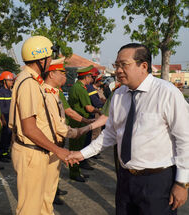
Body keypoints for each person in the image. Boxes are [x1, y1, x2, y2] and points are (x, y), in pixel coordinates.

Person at [67, 43, 189, 214]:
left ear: (143, 66)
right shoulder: (119, 95)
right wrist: (81, 154)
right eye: (117, 65)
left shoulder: (167, 93)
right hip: (125, 178)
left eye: (124, 65)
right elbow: (110, 134)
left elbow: (185, 139)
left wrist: (182, 183)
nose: (118, 70)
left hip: (157, 181)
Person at [8, 36, 73, 214]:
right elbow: (29, 129)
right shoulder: (29, 83)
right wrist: (58, 150)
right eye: (49, 58)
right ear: (41, 59)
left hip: (34, 151)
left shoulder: (30, 80)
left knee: (42, 205)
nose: (51, 61)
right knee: (30, 208)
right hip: (31, 152)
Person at [42, 62, 92, 209]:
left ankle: (54, 190)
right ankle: (51, 193)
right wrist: (86, 121)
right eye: (62, 73)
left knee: (55, 167)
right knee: (50, 167)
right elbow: (69, 111)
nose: (65, 76)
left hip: (60, 132)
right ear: (52, 74)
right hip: (56, 134)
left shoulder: (56, 91)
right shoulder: (49, 91)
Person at [67, 66, 101, 182]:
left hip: (77, 121)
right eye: (91, 77)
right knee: (76, 149)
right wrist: (99, 111)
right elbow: (89, 108)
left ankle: (77, 171)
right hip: (80, 122)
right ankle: (74, 172)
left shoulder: (77, 87)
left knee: (78, 148)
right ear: (86, 77)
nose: (91, 79)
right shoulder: (81, 89)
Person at [0, 71, 14, 163]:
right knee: (4, 137)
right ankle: (2, 154)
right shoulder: (0, 92)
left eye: (12, 80)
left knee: (9, 137)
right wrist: (3, 120)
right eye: (10, 80)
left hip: (10, 118)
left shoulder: (10, 92)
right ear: (4, 81)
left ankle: (6, 153)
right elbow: (0, 108)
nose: (12, 82)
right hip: (5, 118)